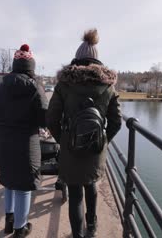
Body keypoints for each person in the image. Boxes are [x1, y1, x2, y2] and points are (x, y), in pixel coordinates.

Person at [46, 29, 122, 238]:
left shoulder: (64, 84)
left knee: (76, 194)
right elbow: (116, 122)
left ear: (77, 58)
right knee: (92, 186)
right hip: (95, 148)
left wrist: (63, 139)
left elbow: (51, 119)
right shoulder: (108, 86)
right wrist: (102, 141)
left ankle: (77, 235)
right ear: (97, 59)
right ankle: (92, 227)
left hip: (71, 148)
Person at [0, 44, 47, 237]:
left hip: (2, 142)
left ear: (15, 64)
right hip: (26, 143)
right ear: (31, 65)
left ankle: (9, 221)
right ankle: (20, 229)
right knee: (24, 187)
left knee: (9, 183)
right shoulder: (35, 87)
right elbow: (44, 118)